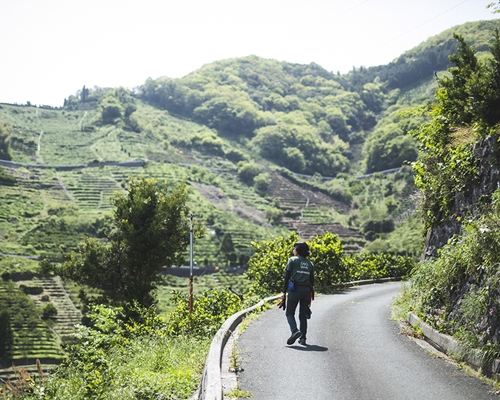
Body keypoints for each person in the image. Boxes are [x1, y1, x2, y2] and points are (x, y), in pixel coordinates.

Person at [281, 241, 314, 346]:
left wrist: (283, 292)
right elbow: (312, 281)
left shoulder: (292, 260)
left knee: (289, 313)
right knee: (302, 315)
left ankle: (295, 331)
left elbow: (287, 277)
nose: (293, 250)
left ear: (298, 250)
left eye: (294, 248)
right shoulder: (310, 264)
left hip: (294, 290)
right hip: (306, 291)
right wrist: (311, 294)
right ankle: (303, 338)